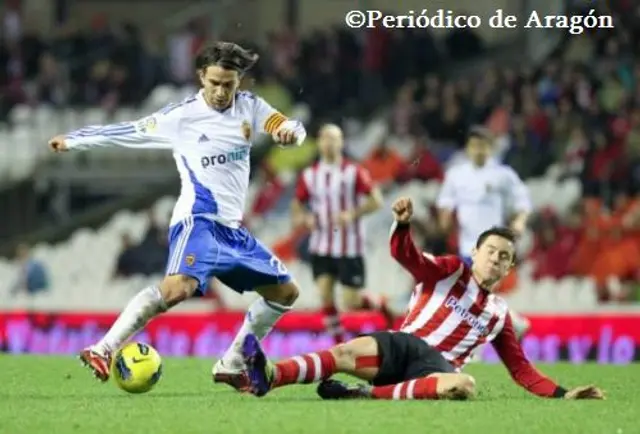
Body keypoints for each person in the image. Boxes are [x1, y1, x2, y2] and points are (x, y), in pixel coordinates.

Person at [47, 41, 306, 391]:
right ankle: (103, 349)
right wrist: (75, 141)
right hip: (197, 221)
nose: (219, 91)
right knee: (178, 288)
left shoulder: (250, 108)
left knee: (285, 292)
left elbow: (285, 124)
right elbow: (130, 131)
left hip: (232, 230)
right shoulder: (181, 116)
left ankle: (232, 363)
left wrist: (290, 133)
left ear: (239, 82)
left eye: (228, 84)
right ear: (202, 77)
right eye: (213, 82)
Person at [238, 197, 605, 401]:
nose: (495, 259)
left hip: (438, 369)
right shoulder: (450, 269)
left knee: (464, 386)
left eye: (504, 256)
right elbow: (406, 257)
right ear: (475, 252)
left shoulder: (498, 314)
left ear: (509, 268)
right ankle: (270, 376)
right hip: (403, 345)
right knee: (343, 354)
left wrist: (563, 394)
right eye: (490, 251)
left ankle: (365, 395)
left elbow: (522, 369)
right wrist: (402, 226)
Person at [292, 124, 391, 344]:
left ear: (341, 142)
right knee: (325, 293)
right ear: (319, 143)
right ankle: (338, 344)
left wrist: (353, 214)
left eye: (334, 138)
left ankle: (379, 303)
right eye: (325, 138)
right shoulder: (310, 175)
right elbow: (297, 204)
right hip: (321, 245)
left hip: (350, 246)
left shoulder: (353, 171)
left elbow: (376, 200)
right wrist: (303, 218)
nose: (329, 143)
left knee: (351, 302)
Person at [436, 126, 532, 339]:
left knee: (470, 295)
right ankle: (514, 323)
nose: (478, 150)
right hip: (466, 246)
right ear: (468, 148)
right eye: (474, 145)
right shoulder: (456, 175)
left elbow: (522, 200)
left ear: (491, 147)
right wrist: (444, 218)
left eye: (483, 145)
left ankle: (477, 341)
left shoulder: (502, 174)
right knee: (473, 297)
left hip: (492, 245)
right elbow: (445, 201)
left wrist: (520, 221)